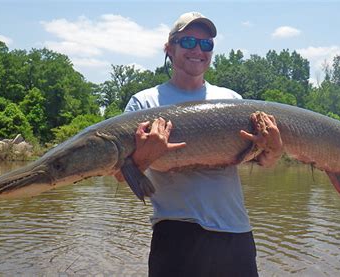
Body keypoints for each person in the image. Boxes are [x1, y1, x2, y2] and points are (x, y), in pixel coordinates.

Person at [116, 12, 283, 277]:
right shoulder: (143, 104)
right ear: (169, 48)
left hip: (235, 233)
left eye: (206, 44)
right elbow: (120, 175)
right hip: (176, 234)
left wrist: (273, 149)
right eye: (188, 42)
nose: (198, 50)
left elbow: (263, 162)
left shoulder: (232, 100)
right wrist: (143, 158)